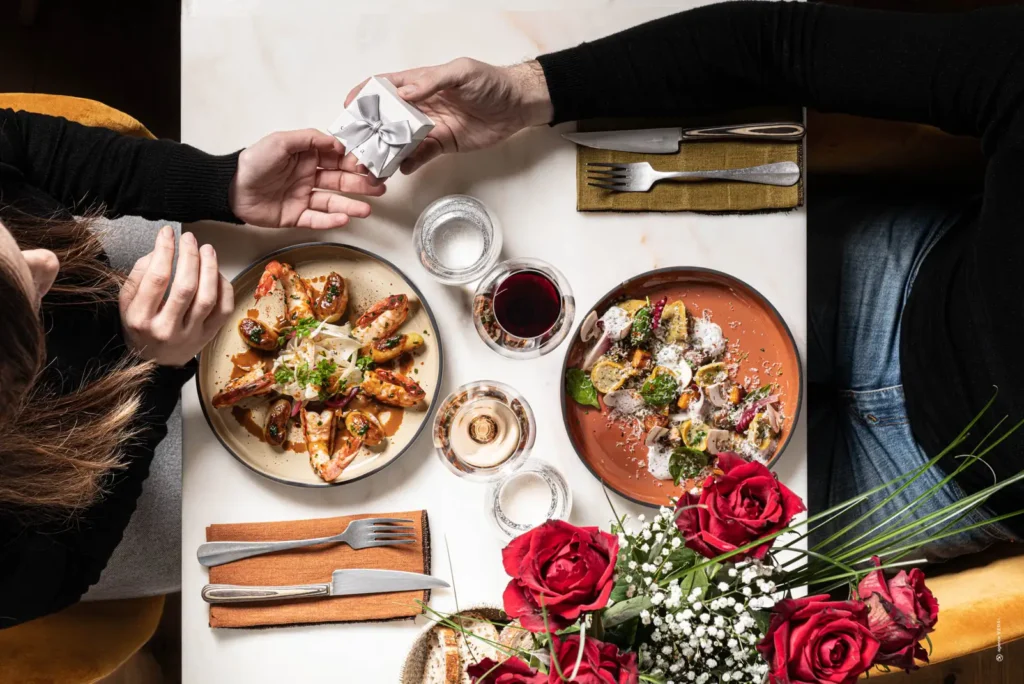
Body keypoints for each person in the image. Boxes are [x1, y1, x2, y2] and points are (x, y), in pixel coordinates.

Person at [352, 2, 1024, 558]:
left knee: (668, 564)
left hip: (947, 483)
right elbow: (779, 44)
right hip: (901, 284)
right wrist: (529, 92)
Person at [0, 111, 383, 627]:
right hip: (83, 475)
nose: (47, 261)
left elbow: (17, 144)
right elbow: (67, 570)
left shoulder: (44, 254)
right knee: (228, 526)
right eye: (31, 290)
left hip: (129, 308)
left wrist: (220, 183)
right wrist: (149, 372)